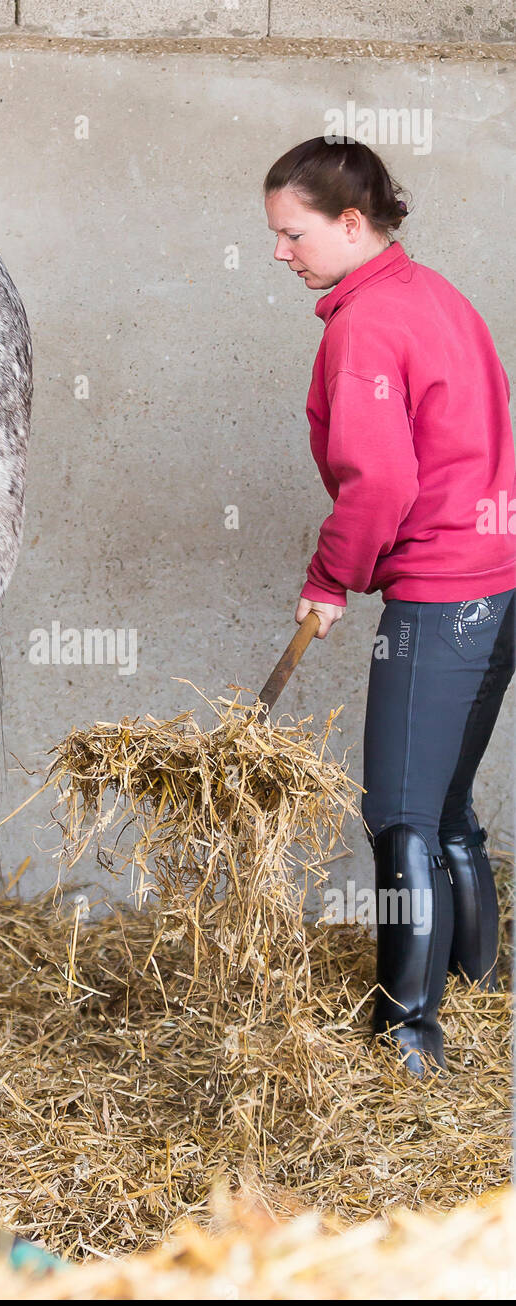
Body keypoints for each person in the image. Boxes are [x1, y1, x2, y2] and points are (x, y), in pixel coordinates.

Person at [263, 136, 516, 1078]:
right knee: (446, 809)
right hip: (501, 582)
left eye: (293, 234)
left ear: (351, 223)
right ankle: (479, 992)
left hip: (445, 593)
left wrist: (331, 578)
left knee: (399, 817)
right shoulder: (439, 296)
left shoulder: (363, 328)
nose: (281, 253)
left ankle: (409, 1033)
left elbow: (379, 484)